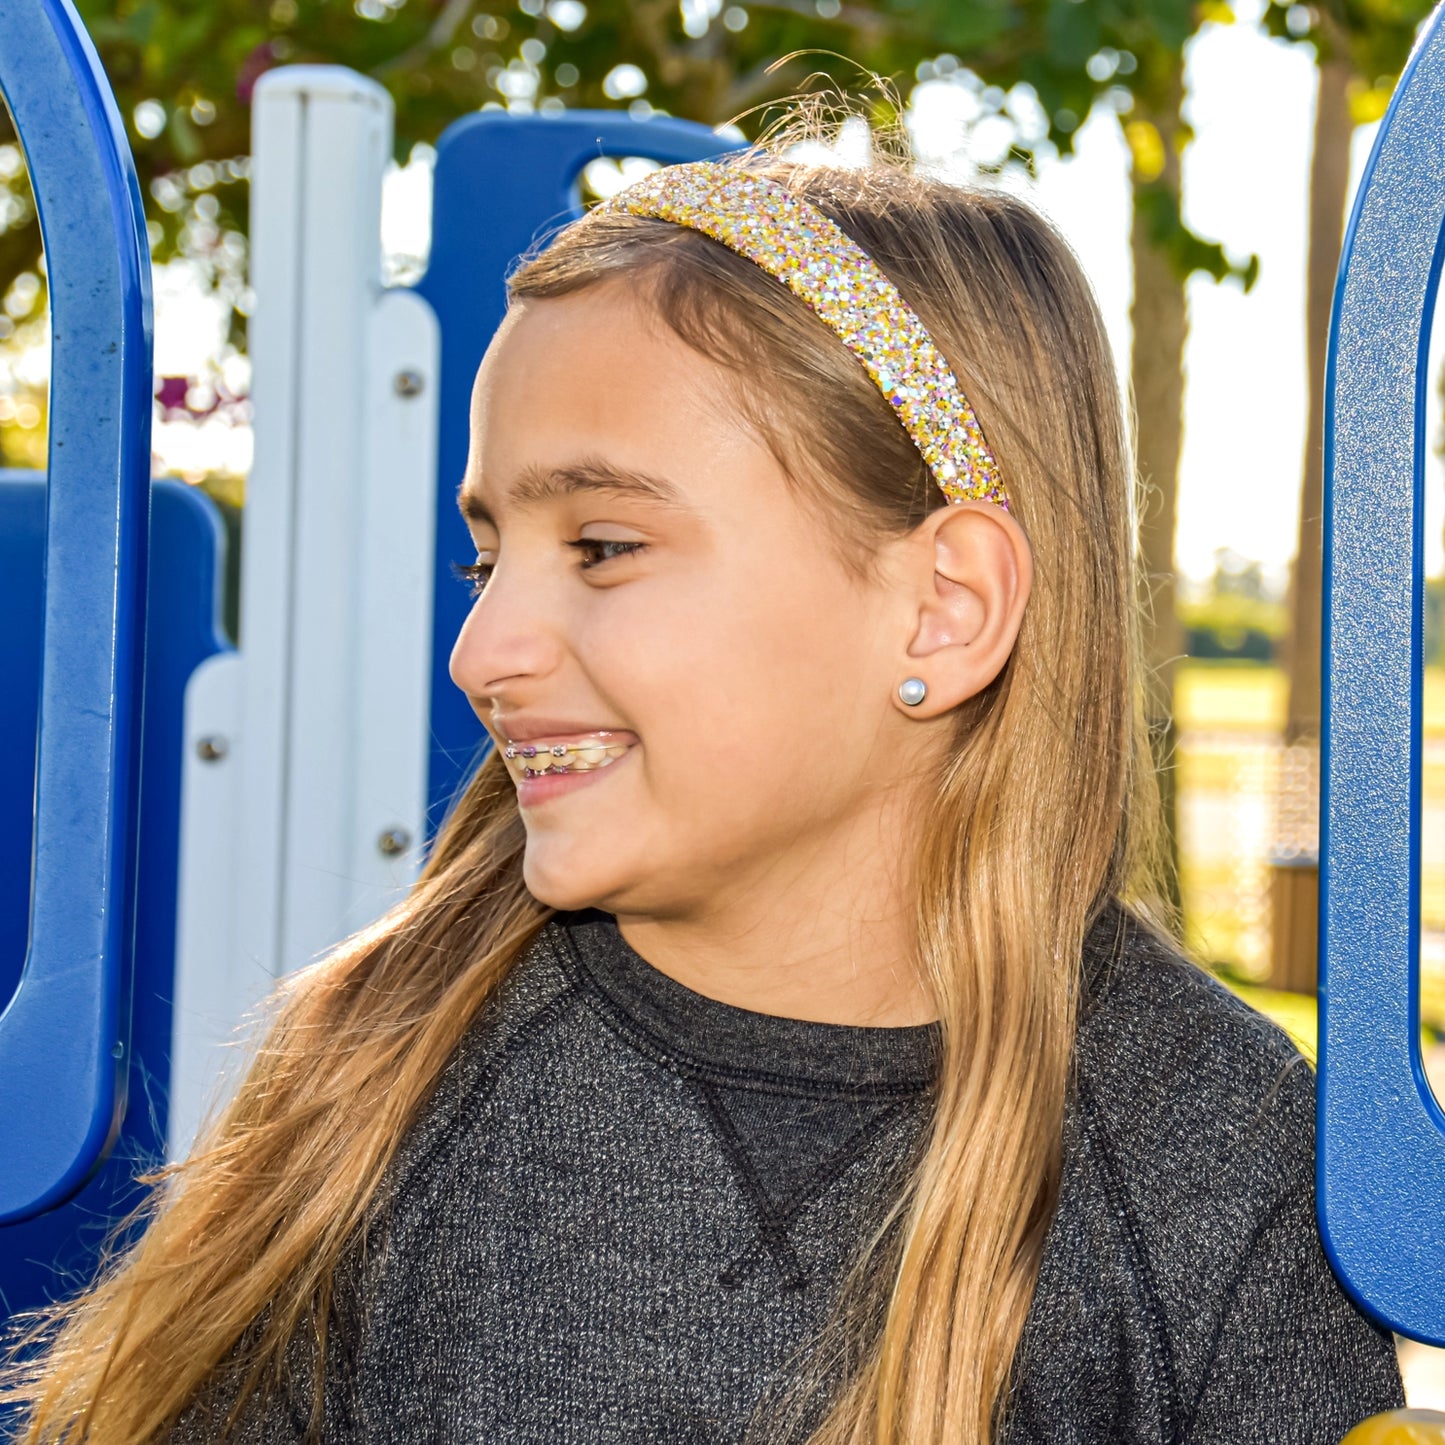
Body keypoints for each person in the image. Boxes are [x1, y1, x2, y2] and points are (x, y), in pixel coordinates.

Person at [1, 132, 1404, 1444]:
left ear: (943, 608)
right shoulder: (382, 1066)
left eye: (603, 544)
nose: (481, 649)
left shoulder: (1207, 1146)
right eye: (485, 557)